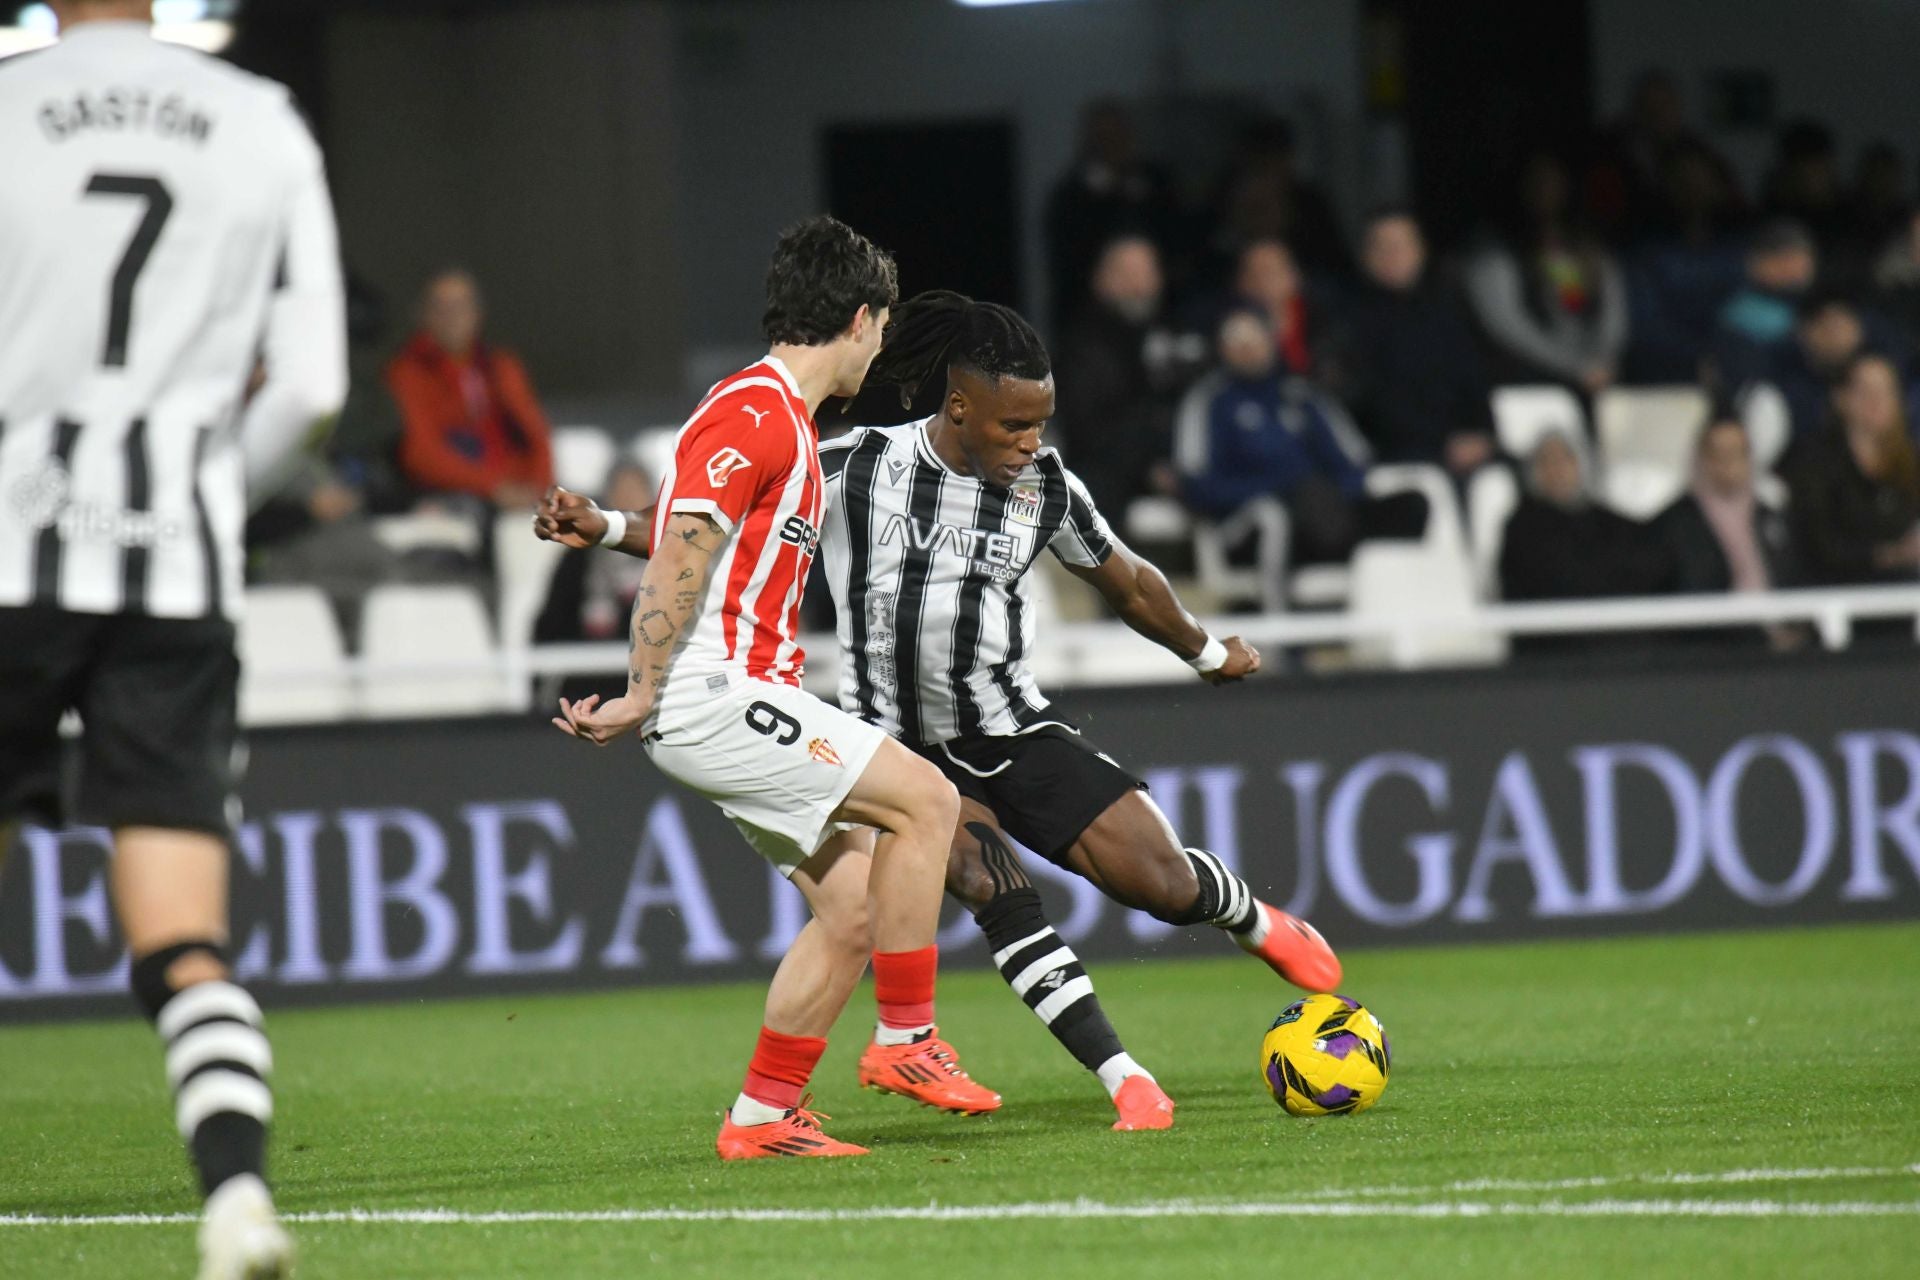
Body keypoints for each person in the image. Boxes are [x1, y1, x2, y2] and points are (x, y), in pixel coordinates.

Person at [538, 292, 1344, 1132]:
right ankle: (1124, 1076)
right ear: (960, 407)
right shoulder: (859, 466)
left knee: (1165, 885)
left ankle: (1247, 915)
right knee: (990, 884)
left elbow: (1129, 582)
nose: (1030, 443)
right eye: (1014, 426)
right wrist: (601, 526)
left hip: (1009, 724)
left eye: (1041, 424)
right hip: (891, 742)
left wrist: (1206, 652)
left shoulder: (1047, 489)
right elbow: (718, 526)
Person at [0, 3, 348, 1276]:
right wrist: (200, 495)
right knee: (181, 937)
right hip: (176, 570)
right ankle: (238, 1198)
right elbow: (311, 387)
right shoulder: (260, 121)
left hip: (6, 552)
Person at [549, 217, 994, 1159]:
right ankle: (907, 1041)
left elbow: (679, 528)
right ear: (864, 319)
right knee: (929, 802)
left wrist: (599, 524)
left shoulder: (768, 415)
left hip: (722, 693)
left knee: (854, 908)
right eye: (883, 328)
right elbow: (686, 553)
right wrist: (640, 689)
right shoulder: (753, 412)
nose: (881, 347)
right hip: (712, 691)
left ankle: (760, 1118)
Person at [1176, 306, 1371, 564]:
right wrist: (1278, 488)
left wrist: (1329, 494)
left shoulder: (1303, 396)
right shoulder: (1210, 402)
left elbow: (1353, 463)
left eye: (1255, 337)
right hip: (1245, 522)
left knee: (1399, 507)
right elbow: (1198, 484)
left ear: (1272, 339)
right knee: (1281, 514)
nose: (1248, 347)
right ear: (1221, 347)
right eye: (1237, 340)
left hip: (1320, 510)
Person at [1332, 208, 1498, 479]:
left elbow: (1475, 378)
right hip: (1399, 453)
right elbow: (1369, 403)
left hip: (1464, 448)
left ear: (1420, 250)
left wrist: (1482, 434)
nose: (1392, 255)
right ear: (1365, 257)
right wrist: (1441, 444)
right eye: (1382, 247)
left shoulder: (1447, 310)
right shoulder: (1350, 321)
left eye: (1400, 245)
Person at [386, 268, 554, 511]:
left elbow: (537, 436)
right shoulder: (407, 373)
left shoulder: (501, 367)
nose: (452, 316)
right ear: (423, 315)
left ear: (477, 313)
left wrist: (539, 489)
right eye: (441, 307)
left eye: (461, 306)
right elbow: (421, 453)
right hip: (455, 494)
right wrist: (492, 487)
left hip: (518, 490)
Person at [1053, 235, 1195, 517]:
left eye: (1145, 273)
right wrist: (1150, 466)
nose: (1137, 285)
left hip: (1179, 467)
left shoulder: (1178, 336)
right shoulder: (1081, 346)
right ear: (1100, 279)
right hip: (1108, 475)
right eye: (1126, 273)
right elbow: (1088, 434)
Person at [1463, 153, 1629, 395]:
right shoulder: (1495, 253)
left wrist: (1602, 359)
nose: (1546, 192)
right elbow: (1509, 327)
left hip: (1592, 380)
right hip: (1526, 385)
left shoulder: (1576, 249)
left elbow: (1588, 311)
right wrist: (1576, 367)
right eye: (1538, 184)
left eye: (1553, 183)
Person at [1654, 416, 1802, 649]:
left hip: (1784, 646)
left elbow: (1796, 580)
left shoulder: (1771, 516)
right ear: (1701, 458)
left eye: (1737, 452)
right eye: (1718, 453)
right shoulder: (1675, 522)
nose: (1728, 462)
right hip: (1716, 652)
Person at [1786, 353, 1920, 585]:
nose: (1877, 401)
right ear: (1841, 398)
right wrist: (1889, 555)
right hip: (1836, 595)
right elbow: (1818, 547)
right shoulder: (1814, 461)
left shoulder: (1911, 461)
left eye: (1886, 390)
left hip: (1905, 594)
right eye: (1866, 391)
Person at [1043, 99, 1176, 330]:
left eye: (1117, 135)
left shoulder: (1155, 183)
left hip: (1157, 311)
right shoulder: (1071, 195)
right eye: (1103, 137)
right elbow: (1067, 257)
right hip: (1089, 315)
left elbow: (1174, 238)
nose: (1111, 144)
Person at [1499, 433, 1669, 608]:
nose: (1557, 470)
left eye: (1564, 460)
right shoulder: (1523, 528)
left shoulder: (1605, 520)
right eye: (1546, 462)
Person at [1709, 219, 1819, 395]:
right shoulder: (1740, 311)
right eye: (1787, 259)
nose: (1799, 268)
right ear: (1758, 263)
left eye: (1804, 258)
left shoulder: (1815, 302)